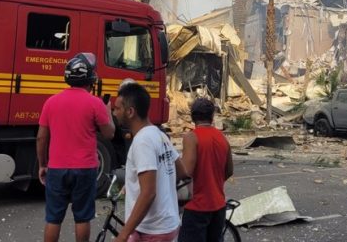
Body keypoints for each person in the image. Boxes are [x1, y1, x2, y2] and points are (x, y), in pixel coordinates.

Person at [37, 53, 115, 242]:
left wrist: (42, 165)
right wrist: (108, 112)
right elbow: (109, 134)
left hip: (56, 168)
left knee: (53, 218)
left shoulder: (51, 102)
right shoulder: (95, 103)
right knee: (82, 217)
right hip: (85, 168)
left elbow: (41, 138)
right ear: (90, 78)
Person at [113, 82, 187, 242]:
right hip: (167, 224)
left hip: (152, 230)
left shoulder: (142, 141)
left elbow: (148, 193)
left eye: (117, 108)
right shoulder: (159, 134)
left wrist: (123, 235)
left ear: (130, 112)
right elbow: (182, 171)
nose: (114, 112)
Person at [179, 98, 234, 242]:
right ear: (212, 116)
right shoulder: (222, 138)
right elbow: (229, 171)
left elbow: (186, 172)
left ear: (192, 117)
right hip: (218, 206)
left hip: (197, 207)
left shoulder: (191, 137)